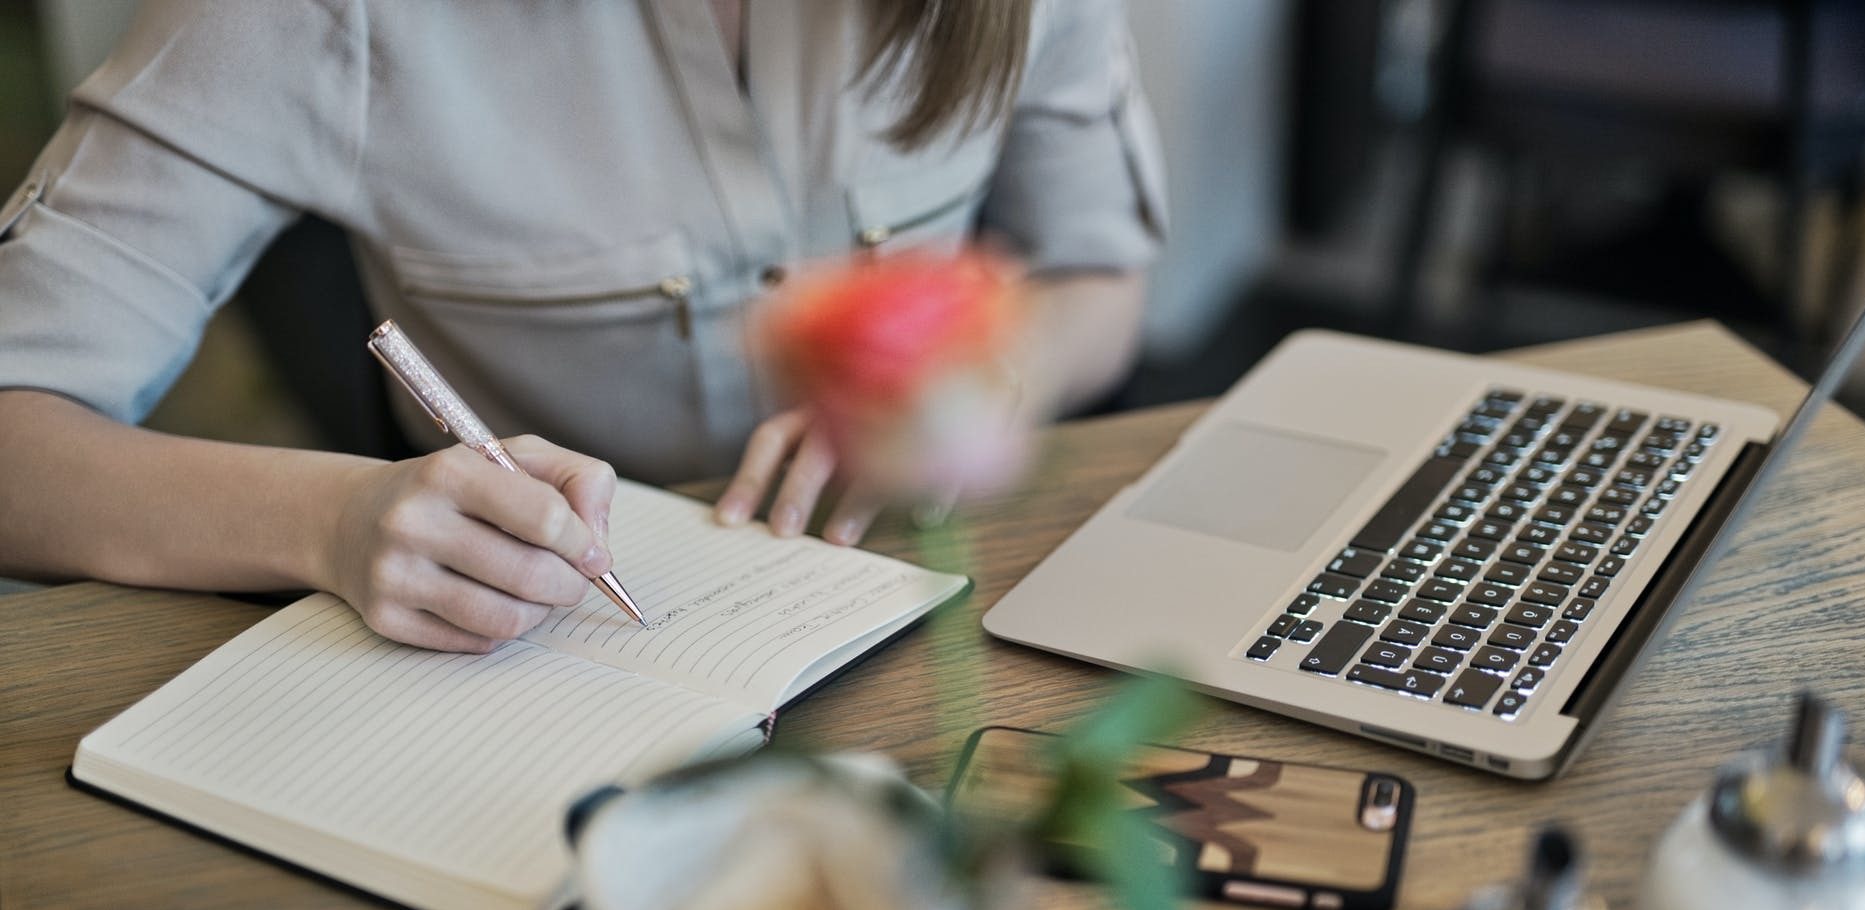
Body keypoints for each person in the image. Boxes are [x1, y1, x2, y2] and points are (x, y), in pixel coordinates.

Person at [0, 0, 1166, 652]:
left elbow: (1099, 279)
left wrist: (996, 373)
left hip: (944, 617)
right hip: (554, 659)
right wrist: (333, 517)